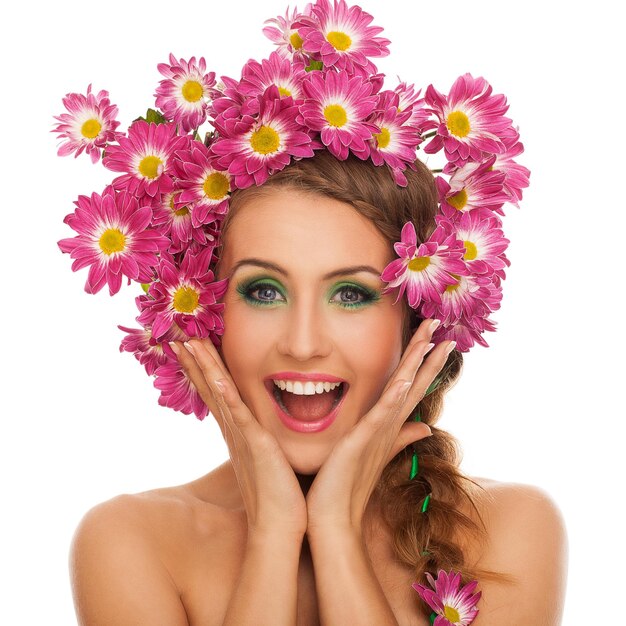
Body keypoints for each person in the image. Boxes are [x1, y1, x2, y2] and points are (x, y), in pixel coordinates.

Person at [56, 2, 567, 624]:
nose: (302, 344)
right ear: (201, 309)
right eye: (263, 291)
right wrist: (274, 532)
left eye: (351, 294)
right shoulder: (132, 540)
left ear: (419, 317)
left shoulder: (505, 533)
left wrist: (334, 531)